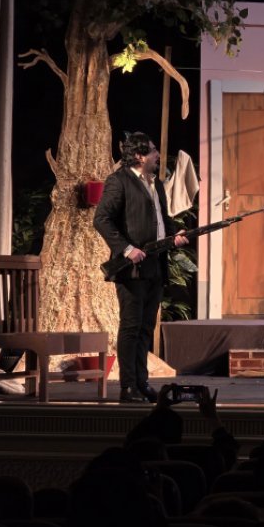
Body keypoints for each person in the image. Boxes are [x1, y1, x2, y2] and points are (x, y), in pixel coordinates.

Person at [94, 132, 188, 403]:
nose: (158, 155)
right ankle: (128, 387)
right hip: (132, 268)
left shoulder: (155, 183)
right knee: (131, 327)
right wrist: (127, 249)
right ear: (139, 155)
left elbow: (163, 220)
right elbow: (101, 219)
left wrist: (174, 236)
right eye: (153, 150)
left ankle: (141, 382)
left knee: (146, 328)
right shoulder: (119, 181)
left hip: (155, 266)